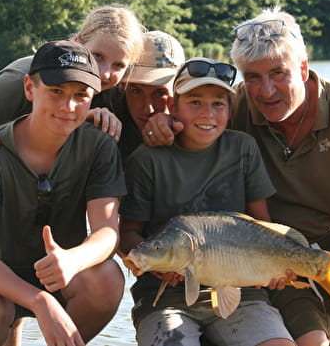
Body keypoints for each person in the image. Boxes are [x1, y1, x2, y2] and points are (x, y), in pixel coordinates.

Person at [144, 6, 330, 346]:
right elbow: (193, 127)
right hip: (260, 250)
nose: (266, 91)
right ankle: (317, 319)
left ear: (303, 68)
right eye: (253, 77)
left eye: (279, 73)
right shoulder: (234, 107)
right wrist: (162, 124)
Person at [118, 57, 296, 346]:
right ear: (173, 107)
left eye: (218, 103)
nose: (208, 114)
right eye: (195, 102)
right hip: (166, 299)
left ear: (230, 109)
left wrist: (276, 267)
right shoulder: (146, 160)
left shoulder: (242, 148)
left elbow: (264, 226)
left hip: (244, 292)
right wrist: (150, 264)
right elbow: (127, 233)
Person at [0, 40, 127, 346]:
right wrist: (41, 301)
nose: (69, 107)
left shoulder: (99, 146)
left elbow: (106, 232)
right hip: (2, 277)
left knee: (107, 280)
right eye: (56, 92)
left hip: (62, 272)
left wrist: (74, 260)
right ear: (30, 88)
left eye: (80, 95)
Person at [0, 4, 145, 142]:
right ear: (77, 42)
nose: (104, 73)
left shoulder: (113, 94)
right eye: (97, 56)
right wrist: (71, 118)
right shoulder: (22, 78)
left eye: (118, 65)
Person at [108, 30, 185, 164]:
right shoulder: (103, 103)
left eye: (160, 93)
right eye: (136, 91)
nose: (147, 109)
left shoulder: (194, 120)